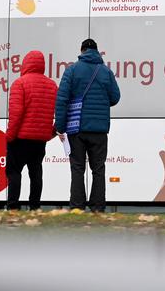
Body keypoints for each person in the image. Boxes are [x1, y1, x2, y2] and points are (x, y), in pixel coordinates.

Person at [55, 39, 120, 212]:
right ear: (97, 51)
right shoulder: (106, 72)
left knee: (77, 168)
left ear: (81, 51)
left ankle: (77, 207)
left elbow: (62, 100)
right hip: (99, 130)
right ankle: (98, 207)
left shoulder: (72, 71)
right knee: (98, 168)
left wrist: (59, 127)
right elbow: (115, 97)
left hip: (76, 128)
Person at [5, 50, 58, 210]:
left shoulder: (19, 83)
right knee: (36, 173)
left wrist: (9, 136)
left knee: (14, 172)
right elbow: (60, 111)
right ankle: (35, 207)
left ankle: (13, 206)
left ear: (26, 64)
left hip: (20, 139)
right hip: (40, 140)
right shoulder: (51, 85)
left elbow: (16, 113)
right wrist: (51, 133)